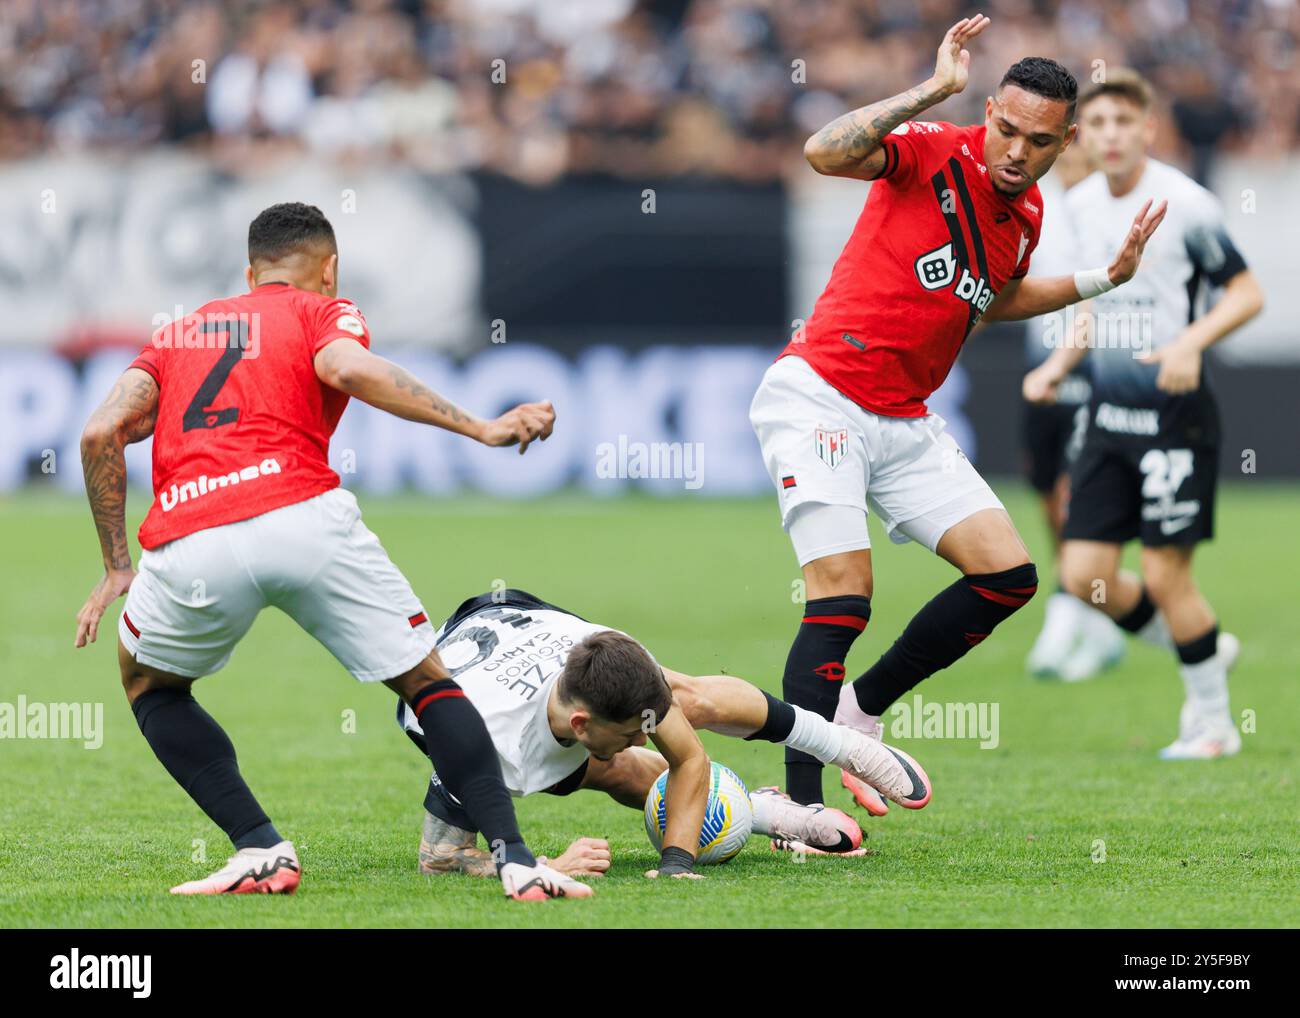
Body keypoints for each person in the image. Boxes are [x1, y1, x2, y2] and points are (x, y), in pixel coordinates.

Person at [74, 202, 580, 901]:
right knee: (428, 684)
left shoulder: (176, 334)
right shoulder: (325, 311)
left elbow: (100, 435)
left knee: (148, 684)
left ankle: (259, 847)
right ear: (329, 268)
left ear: (249, 273)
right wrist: (480, 428)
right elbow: (346, 367)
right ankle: (516, 859)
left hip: (192, 536)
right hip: (303, 517)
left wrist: (116, 566)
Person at [747, 14, 1166, 810]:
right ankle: (801, 808)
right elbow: (823, 151)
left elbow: (996, 296)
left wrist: (1102, 278)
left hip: (903, 417)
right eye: (1005, 130)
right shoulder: (932, 148)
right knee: (843, 592)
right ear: (988, 115)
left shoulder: (1028, 216)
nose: (1016, 152)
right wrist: (933, 87)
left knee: (1007, 575)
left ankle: (858, 713)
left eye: (1038, 142)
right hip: (822, 393)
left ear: (1065, 140)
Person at [1024, 70, 1264, 759]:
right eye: (1096, 125)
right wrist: (1056, 366)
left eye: (1122, 123)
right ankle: (1203, 647)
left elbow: (1246, 294)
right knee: (1082, 576)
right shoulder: (1078, 203)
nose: (1109, 136)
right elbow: (1092, 309)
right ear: (1081, 136)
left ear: (1147, 129)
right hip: (1107, 417)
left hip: (1173, 417)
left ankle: (1213, 723)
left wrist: (1191, 341)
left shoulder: (1187, 204)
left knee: (1165, 576)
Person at [397, 589, 933, 878]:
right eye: (634, 732)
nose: (643, 737)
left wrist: (676, 864)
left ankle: (848, 744)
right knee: (616, 770)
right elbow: (440, 860)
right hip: (459, 671)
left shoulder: (608, 654)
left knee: (686, 697)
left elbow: (689, 758)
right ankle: (758, 806)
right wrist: (544, 867)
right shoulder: (479, 743)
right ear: (580, 726)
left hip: (530, 621)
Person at [1021, 142, 1127, 681]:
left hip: (1085, 373)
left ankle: (1065, 618)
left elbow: (1095, 303)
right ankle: (1101, 618)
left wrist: (1061, 366)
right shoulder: (1034, 204)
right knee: (1046, 497)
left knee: (1072, 495)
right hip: (1041, 368)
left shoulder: (1103, 215)